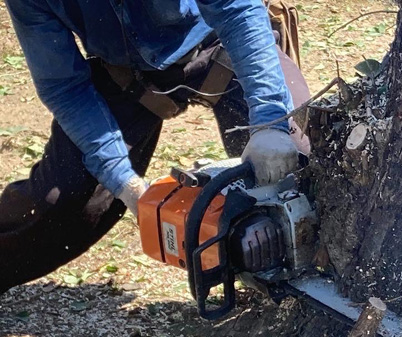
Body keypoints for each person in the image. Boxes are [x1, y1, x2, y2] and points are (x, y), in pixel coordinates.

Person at [0, 0, 310, 295]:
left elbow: (237, 10)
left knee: (303, 160)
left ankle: (295, 280)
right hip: (122, 71)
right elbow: (63, 86)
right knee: (59, 199)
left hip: (220, 42)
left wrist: (270, 121)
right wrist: (124, 182)